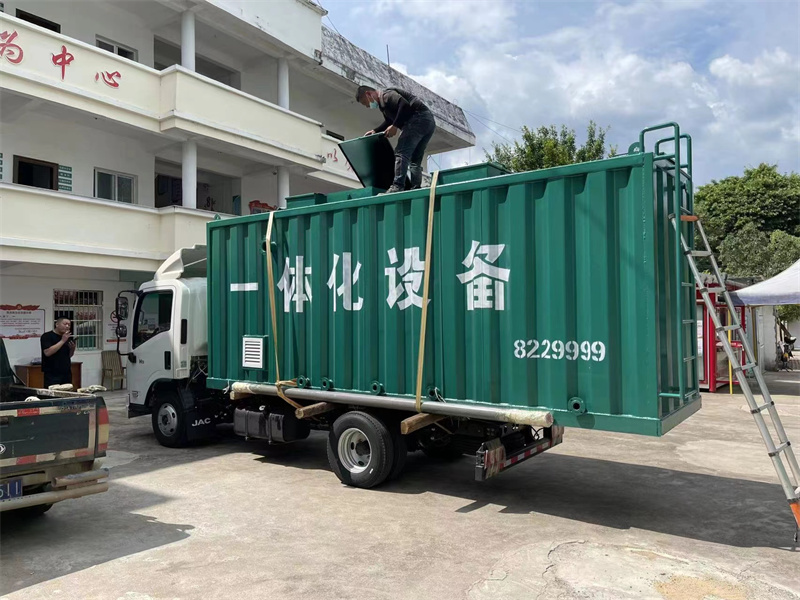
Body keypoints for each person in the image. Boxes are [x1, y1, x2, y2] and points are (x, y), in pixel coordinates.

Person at [356, 85, 436, 194]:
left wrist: (395, 126)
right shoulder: (383, 106)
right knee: (414, 159)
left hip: (418, 119)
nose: (367, 106)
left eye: (365, 103)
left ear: (368, 94)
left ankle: (397, 186)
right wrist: (375, 130)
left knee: (401, 152)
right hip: (428, 122)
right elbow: (389, 120)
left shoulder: (386, 95)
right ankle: (416, 187)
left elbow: (404, 105)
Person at [41, 318, 75, 388]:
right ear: (57, 324)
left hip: (66, 372)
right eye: (65, 324)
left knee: (67, 392)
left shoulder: (67, 337)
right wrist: (62, 341)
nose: (67, 326)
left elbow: (68, 355)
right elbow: (47, 353)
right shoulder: (47, 336)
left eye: (69, 325)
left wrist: (72, 349)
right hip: (52, 372)